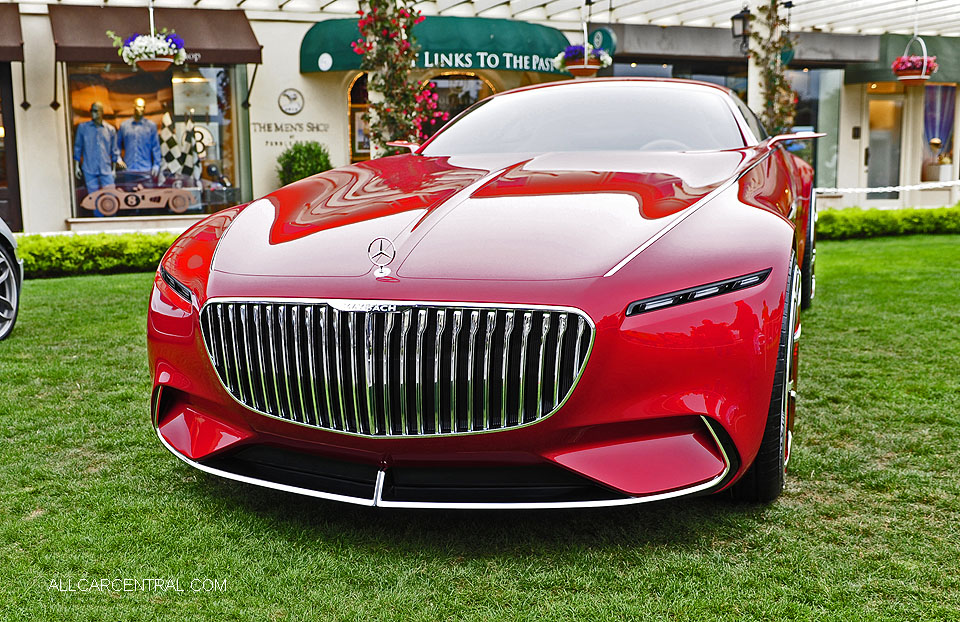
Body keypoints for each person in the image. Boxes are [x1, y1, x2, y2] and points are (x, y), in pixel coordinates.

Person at [73, 101, 125, 216]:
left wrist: (114, 169)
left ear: (101, 112)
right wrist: (76, 166)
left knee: (111, 195)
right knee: (94, 196)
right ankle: (98, 221)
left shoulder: (110, 130)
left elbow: (114, 151)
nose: (93, 113)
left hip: (106, 169)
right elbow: (78, 147)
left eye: (96, 111)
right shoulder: (83, 128)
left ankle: (112, 220)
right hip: (89, 168)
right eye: (92, 110)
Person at [118, 98, 161, 182]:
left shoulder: (151, 126)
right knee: (129, 194)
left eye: (143, 107)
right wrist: (118, 159)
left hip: (145, 169)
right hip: (129, 169)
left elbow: (156, 147)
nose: (141, 109)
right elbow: (117, 145)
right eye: (138, 106)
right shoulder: (124, 126)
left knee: (147, 194)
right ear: (134, 107)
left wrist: (156, 165)